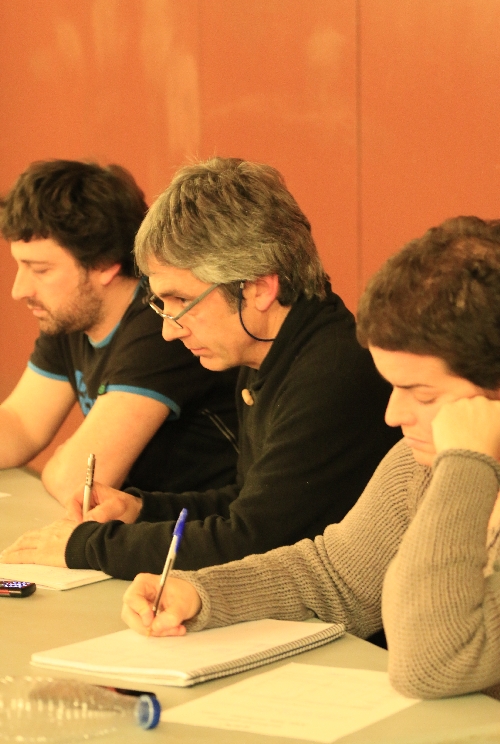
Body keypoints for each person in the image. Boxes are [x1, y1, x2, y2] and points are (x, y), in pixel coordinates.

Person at [120, 215, 500, 702]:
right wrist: (202, 593)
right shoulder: (417, 464)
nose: (393, 415)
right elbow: (337, 578)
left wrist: (466, 466)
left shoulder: (454, 465)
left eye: (423, 394)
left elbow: (430, 665)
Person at [0, 157, 399, 580]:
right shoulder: (264, 351)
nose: (169, 330)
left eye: (182, 301)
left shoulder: (330, 373)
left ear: (259, 288)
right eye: (162, 303)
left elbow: (251, 540)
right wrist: (141, 509)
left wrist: (88, 545)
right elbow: (245, 500)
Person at [0, 159, 239, 503]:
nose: (19, 290)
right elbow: (21, 424)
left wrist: (62, 465)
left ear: (103, 265)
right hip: (140, 524)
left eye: (40, 270)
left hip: (201, 527)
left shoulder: (163, 325)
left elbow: (76, 483)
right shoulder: (70, 313)